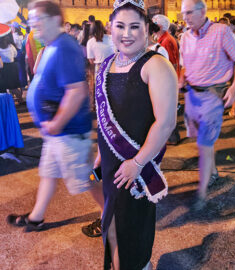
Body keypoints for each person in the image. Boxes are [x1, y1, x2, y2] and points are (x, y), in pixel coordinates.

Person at [7, 0, 104, 237]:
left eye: (37, 19)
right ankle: (36, 217)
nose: (33, 24)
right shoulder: (51, 45)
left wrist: (57, 123)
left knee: (89, 179)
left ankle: (111, 214)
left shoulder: (64, 46)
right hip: (57, 133)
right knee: (48, 174)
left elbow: (76, 91)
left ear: (54, 20)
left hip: (69, 133)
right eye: (31, 20)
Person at [95, 0, 177, 268]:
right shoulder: (107, 64)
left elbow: (166, 123)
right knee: (113, 225)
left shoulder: (156, 65)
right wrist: (100, 152)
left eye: (134, 26)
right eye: (120, 26)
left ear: (147, 30)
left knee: (132, 228)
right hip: (112, 166)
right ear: (110, 28)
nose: (126, 33)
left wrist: (138, 163)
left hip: (137, 167)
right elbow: (108, 114)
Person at [179, 0, 235, 209]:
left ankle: (202, 192)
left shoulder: (221, 31)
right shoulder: (185, 36)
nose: (185, 17)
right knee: (201, 140)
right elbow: (183, 66)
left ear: (202, 11)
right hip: (191, 95)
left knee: (204, 145)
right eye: (183, 13)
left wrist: (234, 88)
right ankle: (213, 174)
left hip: (212, 96)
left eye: (189, 12)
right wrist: (181, 79)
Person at [152, 14, 181, 145]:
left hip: (168, 80)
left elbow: (172, 63)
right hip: (168, 80)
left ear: (160, 27)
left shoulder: (166, 41)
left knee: (166, 110)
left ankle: (173, 138)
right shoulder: (164, 39)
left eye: (154, 24)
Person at [86, 20, 114, 111]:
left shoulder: (90, 42)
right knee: (112, 90)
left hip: (99, 67)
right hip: (112, 66)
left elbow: (91, 60)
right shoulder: (111, 38)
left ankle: (102, 112)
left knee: (100, 91)